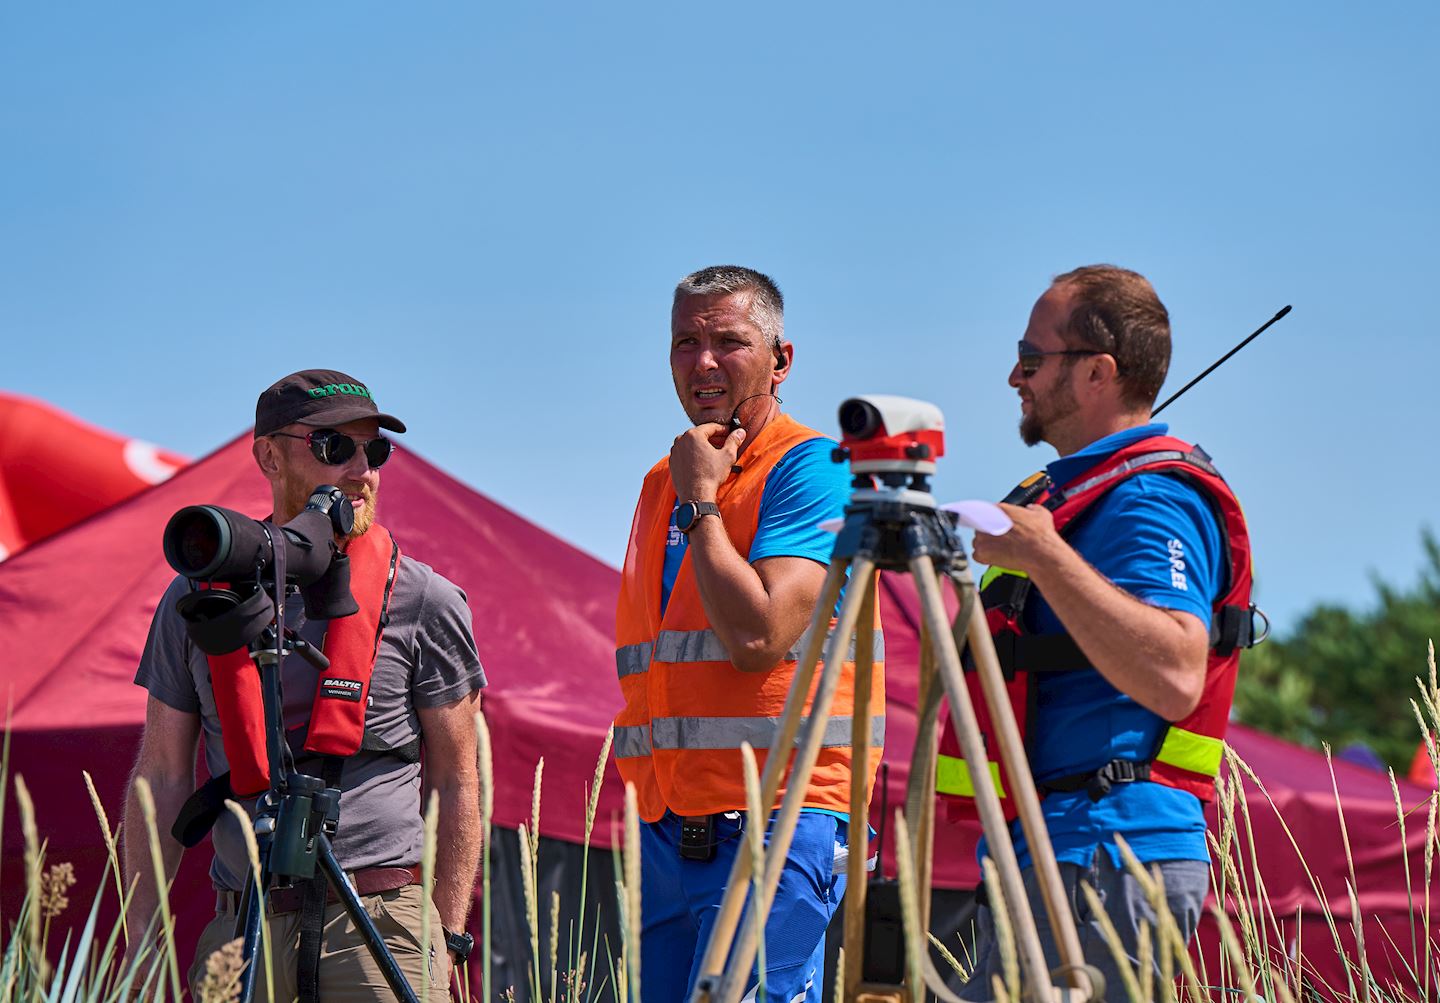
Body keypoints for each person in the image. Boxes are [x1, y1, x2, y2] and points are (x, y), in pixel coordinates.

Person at [121, 369, 485, 1002]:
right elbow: (161, 775)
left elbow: (457, 781)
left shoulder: (425, 598)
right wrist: (142, 943)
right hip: (242, 926)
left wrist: (448, 938)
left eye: (376, 450)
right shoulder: (197, 596)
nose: (361, 470)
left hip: (379, 922)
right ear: (269, 455)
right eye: (332, 448)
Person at [944, 266, 1255, 997]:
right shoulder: (1076, 493)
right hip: (1057, 848)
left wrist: (1044, 554)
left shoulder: (1148, 498)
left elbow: (1177, 672)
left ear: (1097, 372)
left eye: (1031, 356)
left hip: (1111, 852)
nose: (1014, 376)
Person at [612, 266, 885, 1002]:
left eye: (728, 341)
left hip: (778, 819)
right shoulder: (658, 483)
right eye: (685, 342)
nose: (703, 361)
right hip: (670, 825)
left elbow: (759, 635)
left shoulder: (815, 466)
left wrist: (702, 501)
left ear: (781, 360)